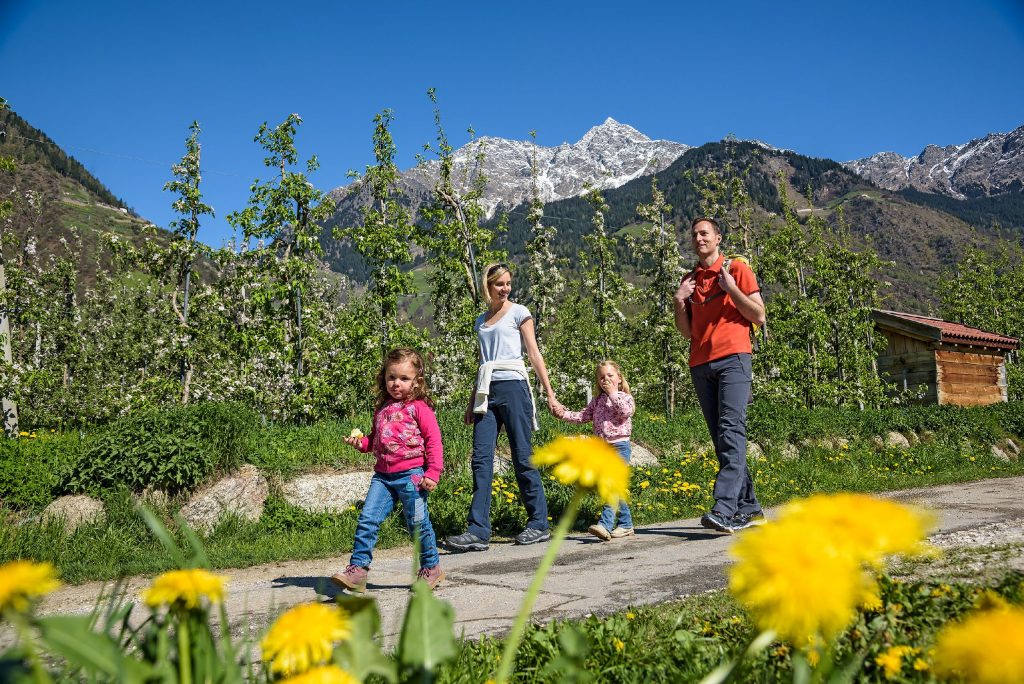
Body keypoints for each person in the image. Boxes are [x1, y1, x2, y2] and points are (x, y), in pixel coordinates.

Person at [445, 263, 559, 552]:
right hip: (487, 390)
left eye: (508, 283)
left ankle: (538, 523)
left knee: (522, 455)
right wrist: (473, 401)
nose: (505, 288)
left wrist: (549, 393)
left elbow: (533, 353)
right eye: (500, 284)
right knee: (481, 459)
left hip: (514, 387)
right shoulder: (480, 321)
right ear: (488, 286)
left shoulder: (520, 312)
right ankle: (478, 531)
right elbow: (482, 362)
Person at [673, 217, 767, 534]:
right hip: (701, 363)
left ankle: (724, 509)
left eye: (704, 233)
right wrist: (678, 300)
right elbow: (687, 332)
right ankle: (750, 508)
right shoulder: (691, 280)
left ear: (718, 238)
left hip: (733, 359)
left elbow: (758, 315)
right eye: (694, 234)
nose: (699, 238)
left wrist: (732, 289)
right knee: (722, 438)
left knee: (731, 430)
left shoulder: (737, 269)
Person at [331, 347, 445, 591]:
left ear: (417, 381)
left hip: (413, 477)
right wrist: (360, 443)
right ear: (384, 378)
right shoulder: (382, 408)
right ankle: (358, 570)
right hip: (383, 478)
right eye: (391, 377)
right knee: (367, 519)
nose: (396, 383)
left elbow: (434, 440)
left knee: (418, 523)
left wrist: (433, 472)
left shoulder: (419, 408)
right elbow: (375, 441)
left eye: (404, 378)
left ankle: (431, 567)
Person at [552, 359, 636, 541]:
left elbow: (625, 412)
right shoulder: (597, 401)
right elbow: (583, 416)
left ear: (619, 378)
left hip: (619, 446)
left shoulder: (624, 397)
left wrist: (613, 393)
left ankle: (605, 524)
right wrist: (563, 414)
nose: (606, 379)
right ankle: (626, 524)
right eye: (601, 377)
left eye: (610, 375)